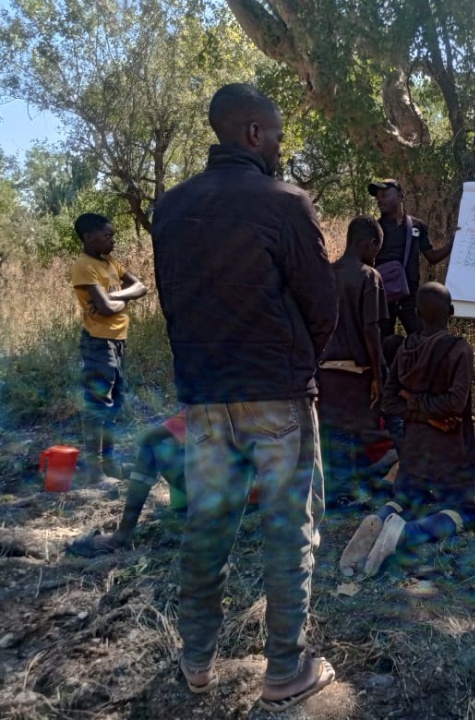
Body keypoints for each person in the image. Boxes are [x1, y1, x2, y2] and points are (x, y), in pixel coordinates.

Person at [151, 83, 338, 711]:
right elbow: (322, 304)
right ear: (253, 133)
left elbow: (173, 298)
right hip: (277, 396)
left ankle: (197, 660)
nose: (281, 148)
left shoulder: (171, 207)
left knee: (207, 527)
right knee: (289, 531)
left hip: (205, 399)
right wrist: (299, 365)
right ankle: (285, 669)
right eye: (278, 135)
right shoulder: (284, 202)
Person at [338, 282, 475, 578]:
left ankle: (381, 516)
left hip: (414, 447)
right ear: (451, 313)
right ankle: (407, 534)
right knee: (462, 510)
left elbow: (389, 401)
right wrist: (432, 415)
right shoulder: (458, 349)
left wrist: (414, 404)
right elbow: (455, 402)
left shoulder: (406, 347)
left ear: (416, 313)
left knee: (404, 498)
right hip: (450, 450)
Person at [70, 213, 148, 484]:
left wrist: (115, 296)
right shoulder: (84, 266)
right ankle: (93, 470)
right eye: (108, 235)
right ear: (89, 237)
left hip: (117, 340)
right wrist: (116, 301)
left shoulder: (111, 262)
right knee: (99, 404)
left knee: (115, 403)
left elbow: (141, 287)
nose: (113, 239)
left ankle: (109, 463)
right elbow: (103, 309)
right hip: (98, 342)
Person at [318, 216, 389, 507]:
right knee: (353, 431)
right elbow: (371, 329)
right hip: (356, 371)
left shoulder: (325, 274)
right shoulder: (369, 277)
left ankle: (339, 489)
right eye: (376, 249)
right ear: (368, 244)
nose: (376, 256)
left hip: (325, 369)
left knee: (335, 432)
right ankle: (344, 493)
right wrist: (379, 374)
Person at [67, 412, 188, 556]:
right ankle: (187, 511)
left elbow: (148, 437)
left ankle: (121, 536)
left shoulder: (206, 399)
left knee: (152, 447)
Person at [369, 179, 453, 337]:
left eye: (385, 195)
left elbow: (432, 257)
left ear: (401, 196)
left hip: (410, 297)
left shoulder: (417, 226)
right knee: (384, 343)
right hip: (383, 296)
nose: (380, 200)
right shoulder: (374, 228)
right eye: (377, 197)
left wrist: (452, 244)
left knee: (421, 339)